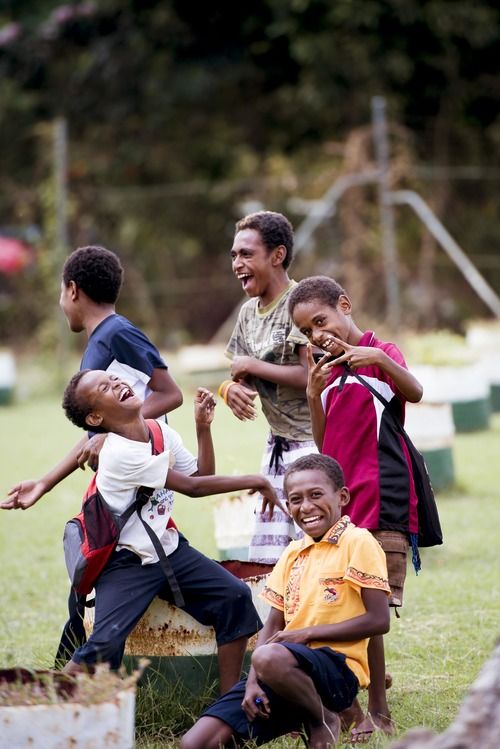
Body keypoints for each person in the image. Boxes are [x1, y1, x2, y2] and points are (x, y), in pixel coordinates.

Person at [1, 245, 183, 665]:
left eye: (60, 293)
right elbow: (96, 433)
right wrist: (44, 483)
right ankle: (75, 670)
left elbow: (169, 394)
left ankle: (81, 674)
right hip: (126, 475)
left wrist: (114, 432)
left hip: (138, 473)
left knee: (106, 562)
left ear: (72, 289)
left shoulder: (117, 333)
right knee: (93, 561)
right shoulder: (99, 342)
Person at [58, 368, 284, 692]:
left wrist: (202, 428)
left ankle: (228, 708)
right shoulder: (119, 454)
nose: (118, 383)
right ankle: (49, 701)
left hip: (168, 548)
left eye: (116, 379)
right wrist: (257, 480)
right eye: (105, 388)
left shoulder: (159, 431)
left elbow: (202, 475)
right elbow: (193, 488)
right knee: (103, 644)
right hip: (125, 562)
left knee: (235, 597)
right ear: (95, 418)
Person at [288, 275, 423, 742]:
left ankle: (378, 709)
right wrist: (311, 391)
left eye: (320, 321)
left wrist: (379, 358)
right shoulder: (327, 373)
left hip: (383, 495)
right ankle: (352, 694)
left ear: (345, 305)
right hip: (342, 504)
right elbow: (327, 450)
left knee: (375, 601)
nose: (317, 335)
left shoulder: (380, 354)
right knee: (344, 597)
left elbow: (416, 392)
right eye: (307, 331)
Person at [180, 453, 391, 749]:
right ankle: (304, 712)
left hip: (337, 671)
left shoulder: (359, 542)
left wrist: (306, 633)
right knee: (196, 743)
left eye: (316, 495)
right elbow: (273, 625)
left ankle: (323, 717)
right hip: (282, 671)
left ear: (342, 496)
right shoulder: (292, 553)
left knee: (270, 656)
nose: (306, 507)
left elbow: (379, 621)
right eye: (295, 499)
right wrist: (253, 679)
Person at [221, 210, 317, 564]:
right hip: (276, 447)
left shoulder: (301, 302)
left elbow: (312, 376)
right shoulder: (248, 314)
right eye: (233, 255)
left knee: (315, 549)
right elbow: (237, 371)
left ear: (277, 256)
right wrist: (228, 390)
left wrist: (251, 365)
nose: (237, 263)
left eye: (246, 254)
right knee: (270, 556)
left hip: (313, 444)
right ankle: (278, 621)